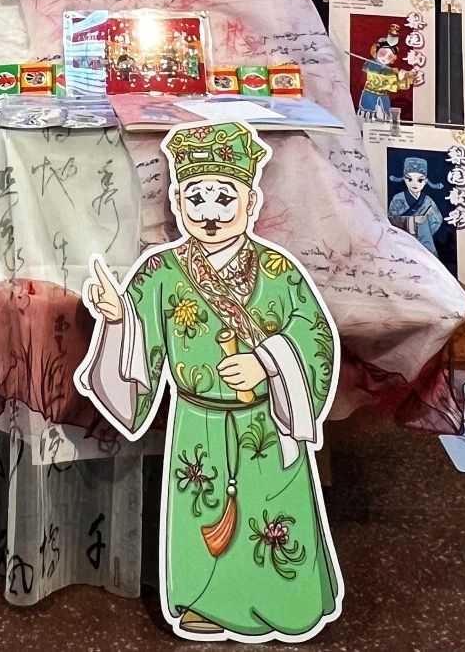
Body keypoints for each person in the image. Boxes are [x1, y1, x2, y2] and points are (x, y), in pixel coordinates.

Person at [78, 124, 341, 641]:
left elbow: (314, 339)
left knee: (271, 514)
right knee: (203, 511)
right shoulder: (161, 272)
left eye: (225, 197)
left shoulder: (279, 271)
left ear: (250, 201)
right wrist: (117, 319)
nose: (210, 212)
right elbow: (141, 348)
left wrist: (267, 364)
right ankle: (206, 603)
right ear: (178, 201)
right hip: (197, 421)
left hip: (266, 423)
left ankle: (284, 603)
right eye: (196, 198)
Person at [388, 156, 445, 258]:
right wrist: (413, 222)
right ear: (404, 178)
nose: (414, 183)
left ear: (426, 181)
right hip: (402, 240)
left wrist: (424, 228)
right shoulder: (398, 198)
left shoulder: (428, 201)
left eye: (420, 180)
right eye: (410, 179)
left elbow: (437, 220)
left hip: (424, 241)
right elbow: (390, 220)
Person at [357, 30, 410, 121]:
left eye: (390, 56)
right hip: (370, 96)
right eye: (383, 53)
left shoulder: (390, 70)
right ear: (376, 51)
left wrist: (402, 77)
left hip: (384, 98)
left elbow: (398, 84)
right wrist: (396, 77)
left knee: (384, 118)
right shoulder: (370, 64)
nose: (385, 58)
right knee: (367, 118)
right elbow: (377, 82)